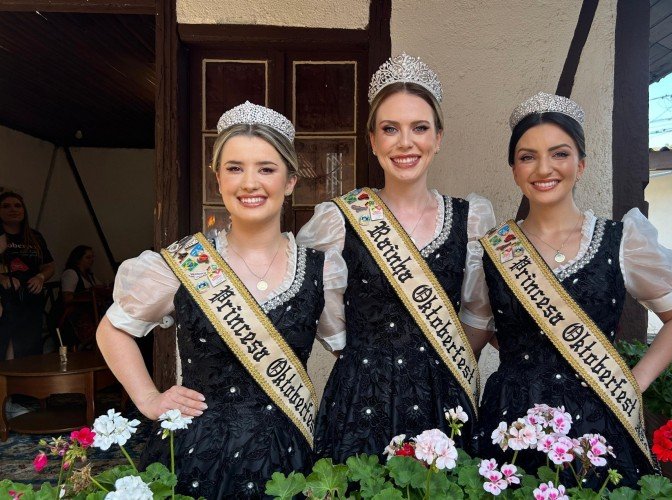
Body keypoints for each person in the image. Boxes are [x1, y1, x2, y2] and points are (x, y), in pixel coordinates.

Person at [96, 102, 327, 499]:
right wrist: (149, 398)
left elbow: (356, 347)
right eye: (235, 168)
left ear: (290, 180)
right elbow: (112, 330)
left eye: (266, 169)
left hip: (288, 457)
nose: (249, 183)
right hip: (199, 455)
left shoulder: (323, 268)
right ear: (217, 178)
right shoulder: (182, 264)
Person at [474, 93, 672, 488]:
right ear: (513, 168)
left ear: (581, 164)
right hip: (512, 420)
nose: (544, 168)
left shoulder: (622, 240)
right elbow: (479, 329)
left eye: (559, 154)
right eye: (527, 156)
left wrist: (636, 380)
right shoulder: (494, 250)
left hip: (598, 416)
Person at [297, 53, 496, 463]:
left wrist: (445, 365)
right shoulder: (338, 221)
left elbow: (479, 312)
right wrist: (369, 361)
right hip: (360, 399)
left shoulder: (471, 219)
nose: (405, 142)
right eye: (390, 129)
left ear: (438, 138)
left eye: (419, 128)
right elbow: (323, 313)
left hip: (445, 395)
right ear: (373, 141)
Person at [0, 191, 55, 359]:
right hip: (5, 300)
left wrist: (40, 277)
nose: (13, 209)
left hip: (31, 299)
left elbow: (50, 265)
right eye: (6, 206)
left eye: (18, 205)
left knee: (29, 348)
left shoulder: (35, 236)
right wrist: (1, 278)